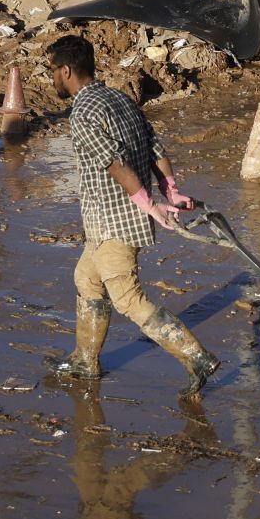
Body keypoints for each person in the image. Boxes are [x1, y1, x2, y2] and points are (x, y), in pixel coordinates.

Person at [46, 34, 219, 395]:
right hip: (107, 220)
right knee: (86, 278)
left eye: (52, 71)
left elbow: (114, 163)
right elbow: (155, 146)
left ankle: (196, 356)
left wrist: (150, 204)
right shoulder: (118, 97)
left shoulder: (82, 112)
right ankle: (84, 361)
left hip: (115, 220)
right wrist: (171, 190)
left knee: (127, 297)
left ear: (66, 70)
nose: (52, 79)